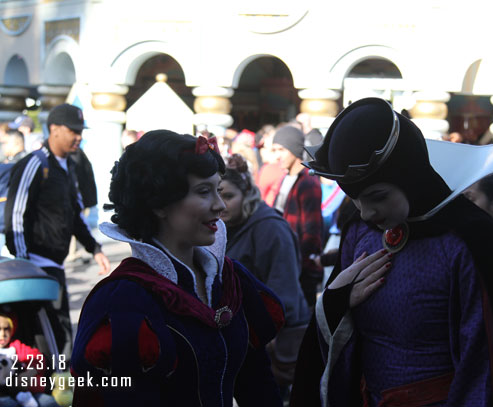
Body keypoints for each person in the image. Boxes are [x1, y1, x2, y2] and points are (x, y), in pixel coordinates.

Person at [291, 97, 493, 406]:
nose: (367, 213)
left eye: (378, 197)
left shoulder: (470, 238)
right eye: (356, 200)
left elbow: (486, 365)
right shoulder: (358, 231)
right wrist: (336, 301)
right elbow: (343, 348)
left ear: (409, 176)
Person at [70, 130, 284, 407]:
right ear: (160, 203)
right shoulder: (124, 301)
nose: (220, 206)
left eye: (218, 190)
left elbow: (257, 384)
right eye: (204, 192)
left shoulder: (231, 280)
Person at [4, 104, 110, 357]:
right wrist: (24, 262)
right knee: (46, 332)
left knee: (60, 331)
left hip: (55, 263)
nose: (79, 136)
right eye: (73, 130)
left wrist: (94, 248)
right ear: (54, 129)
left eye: (80, 131)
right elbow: (15, 215)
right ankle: (47, 386)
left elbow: (74, 214)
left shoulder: (68, 166)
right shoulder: (34, 164)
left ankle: (60, 385)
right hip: (36, 264)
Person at [219, 153, 310, 392]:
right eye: (214, 195)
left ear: (246, 193)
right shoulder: (224, 227)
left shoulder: (270, 229)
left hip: (273, 340)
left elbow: (285, 293)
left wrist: (264, 337)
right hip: (245, 338)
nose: (220, 204)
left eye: (228, 196)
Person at [271, 126, 323, 307]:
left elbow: (312, 232)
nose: (277, 156)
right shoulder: (285, 178)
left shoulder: (308, 181)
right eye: (274, 150)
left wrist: (297, 259)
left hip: (300, 269)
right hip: (285, 262)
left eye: (281, 150)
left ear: (293, 149)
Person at [0, 313, 60, 407]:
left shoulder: (16, 347)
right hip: (3, 395)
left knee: (49, 402)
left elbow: (38, 359)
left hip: (25, 390)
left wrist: (29, 373)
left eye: (6, 329)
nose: (2, 334)